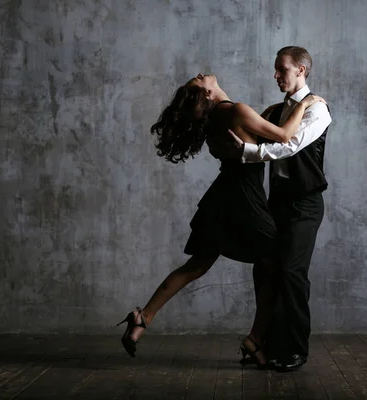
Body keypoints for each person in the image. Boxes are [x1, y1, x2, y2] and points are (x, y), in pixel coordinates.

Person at [118, 73, 322, 369]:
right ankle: (255, 339)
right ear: (208, 94)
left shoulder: (218, 118)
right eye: (196, 84)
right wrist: (306, 104)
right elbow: (284, 136)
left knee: (197, 265)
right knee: (275, 264)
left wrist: (265, 114)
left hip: (222, 195)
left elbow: (259, 132)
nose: (200, 76)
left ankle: (143, 316)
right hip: (244, 198)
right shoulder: (236, 111)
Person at [212, 46, 332, 372]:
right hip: (277, 202)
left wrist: (247, 152)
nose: (276, 75)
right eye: (275, 70)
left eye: (282, 69)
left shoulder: (317, 110)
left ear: (301, 71)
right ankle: (266, 345)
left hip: (304, 205)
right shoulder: (277, 109)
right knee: (267, 270)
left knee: (292, 273)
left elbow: (288, 145)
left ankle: (296, 350)